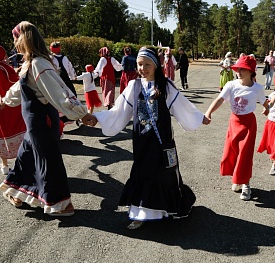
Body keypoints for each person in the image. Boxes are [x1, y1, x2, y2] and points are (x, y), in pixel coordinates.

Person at [89, 47, 209, 229]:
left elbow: (182, 106)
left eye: (147, 64)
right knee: (142, 172)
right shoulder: (133, 86)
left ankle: (166, 209)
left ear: (155, 65)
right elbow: (119, 111)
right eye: (140, 64)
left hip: (162, 141)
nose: (143, 68)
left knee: (164, 173)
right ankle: (140, 213)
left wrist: (199, 117)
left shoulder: (165, 85)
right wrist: (97, 118)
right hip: (142, 141)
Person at [0, 21, 95, 215]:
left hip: (41, 122)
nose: (14, 43)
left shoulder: (38, 64)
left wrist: (81, 114)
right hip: (34, 123)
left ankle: (62, 205)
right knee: (26, 157)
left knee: (47, 161)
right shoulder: (32, 63)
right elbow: (19, 90)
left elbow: (60, 92)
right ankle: (18, 192)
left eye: (16, 38)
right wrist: (5, 101)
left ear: (23, 39)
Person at [204, 55, 267, 201]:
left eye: (242, 68)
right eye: (238, 68)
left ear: (251, 71)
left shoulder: (257, 88)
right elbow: (220, 99)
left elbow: (264, 102)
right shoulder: (231, 85)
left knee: (245, 154)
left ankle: (246, 184)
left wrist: (267, 109)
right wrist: (208, 113)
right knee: (231, 152)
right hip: (234, 122)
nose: (238, 71)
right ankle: (237, 178)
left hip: (249, 124)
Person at [0, 44, 26, 174]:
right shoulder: (8, 68)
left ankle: (4, 165)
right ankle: (22, 162)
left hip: (0, 106)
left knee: (1, 133)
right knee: (18, 131)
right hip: (13, 104)